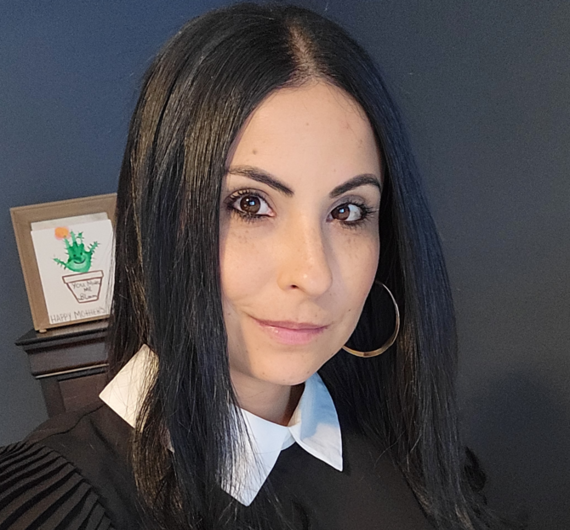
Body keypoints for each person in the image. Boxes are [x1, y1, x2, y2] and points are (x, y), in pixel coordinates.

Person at [0, 3, 521, 529]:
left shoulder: (401, 437)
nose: (313, 275)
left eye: (347, 212)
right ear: (159, 220)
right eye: (249, 204)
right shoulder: (58, 501)